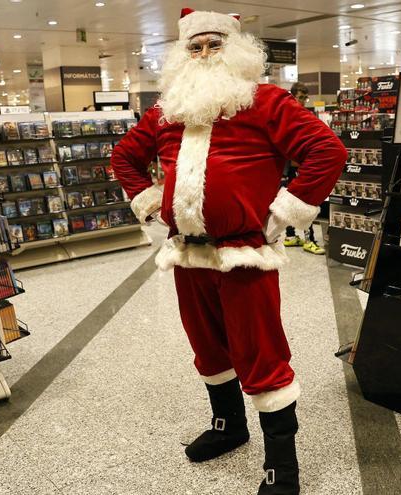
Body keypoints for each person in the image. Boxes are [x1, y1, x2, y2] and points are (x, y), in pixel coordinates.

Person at [110, 9, 345, 494]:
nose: (203, 55)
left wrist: (284, 212)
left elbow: (328, 151)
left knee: (261, 355)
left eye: (213, 45)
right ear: (181, 54)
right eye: (194, 47)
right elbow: (125, 156)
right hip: (186, 254)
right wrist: (150, 201)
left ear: (234, 49)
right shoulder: (167, 109)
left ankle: (283, 464)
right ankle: (228, 427)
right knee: (209, 347)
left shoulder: (267, 102)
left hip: (245, 256)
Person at [282, 82, 325, 255]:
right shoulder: (288, 115)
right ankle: (305, 239)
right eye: (299, 97)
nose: (302, 101)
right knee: (302, 201)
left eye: (304, 98)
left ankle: (295, 236)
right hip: (292, 166)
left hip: (302, 165)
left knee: (302, 200)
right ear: (292, 96)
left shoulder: (306, 115)